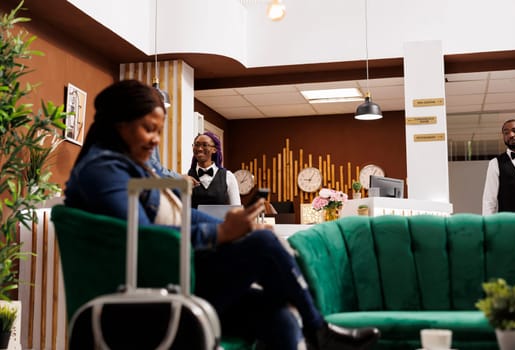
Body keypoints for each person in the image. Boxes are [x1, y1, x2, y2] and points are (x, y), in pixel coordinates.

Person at [64, 80, 380, 350]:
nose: (156, 140)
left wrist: (237, 227)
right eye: (149, 129)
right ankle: (318, 331)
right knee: (264, 247)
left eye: (159, 131)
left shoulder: (133, 168)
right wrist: (220, 234)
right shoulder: (103, 171)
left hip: (177, 275)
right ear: (119, 125)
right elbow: (145, 241)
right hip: (151, 289)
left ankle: (316, 331)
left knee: (276, 312)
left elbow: (185, 217)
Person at [188, 131, 241, 208]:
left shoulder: (228, 176)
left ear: (214, 150)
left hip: (220, 220)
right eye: (197, 145)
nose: (199, 149)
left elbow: (236, 209)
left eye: (205, 145)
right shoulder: (187, 176)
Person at [482, 119, 515, 214]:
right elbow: (489, 199)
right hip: (507, 224)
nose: (511, 135)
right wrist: (487, 226)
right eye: (506, 133)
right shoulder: (495, 163)